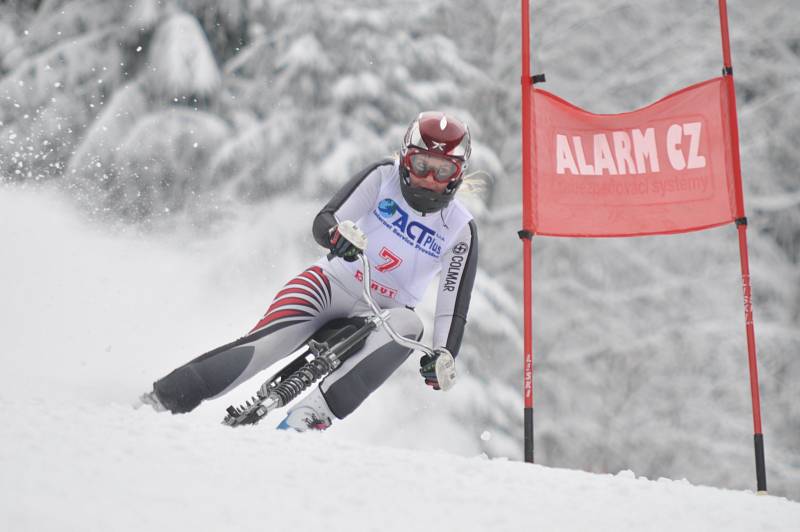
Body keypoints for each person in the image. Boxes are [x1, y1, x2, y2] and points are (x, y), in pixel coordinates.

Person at [140, 111, 479, 431]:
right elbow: (327, 219)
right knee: (268, 346)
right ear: (406, 159)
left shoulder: (460, 229)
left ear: (457, 174)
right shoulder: (383, 177)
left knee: (411, 324)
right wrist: (337, 236)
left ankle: (308, 418)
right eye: (421, 165)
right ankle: (162, 399)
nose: (429, 180)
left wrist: (443, 355)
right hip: (329, 286)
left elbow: (453, 303)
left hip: (381, 314)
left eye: (442, 171)